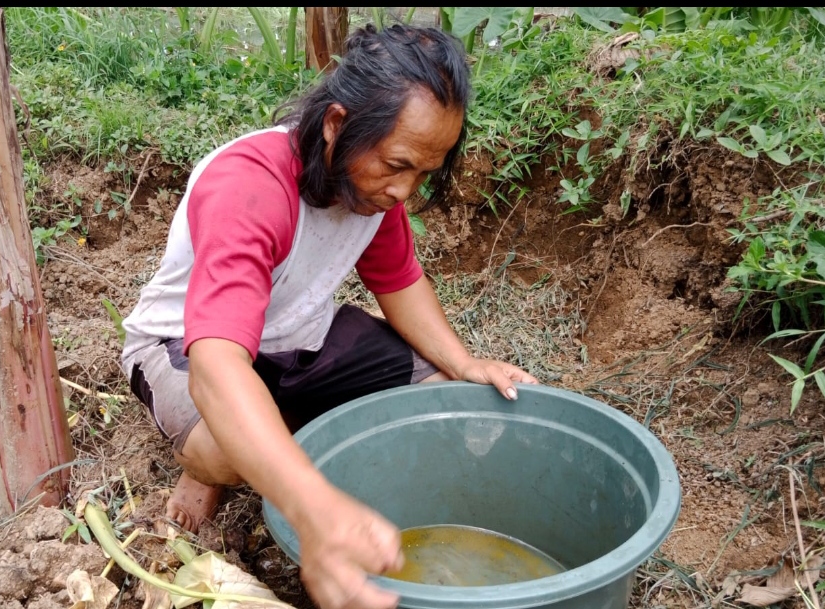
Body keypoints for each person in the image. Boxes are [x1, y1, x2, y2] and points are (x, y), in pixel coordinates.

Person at [120, 24, 538, 609]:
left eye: (424, 173)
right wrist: (314, 511)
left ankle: (279, 431)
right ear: (337, 125)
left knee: (440, 391)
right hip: (184, 344)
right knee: (225, 447)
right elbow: (216, 364)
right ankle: (223, 463)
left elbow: (399, 281)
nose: (405, 191)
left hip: (299, 336)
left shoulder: (372, 188)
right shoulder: (251, 186)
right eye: (397, 165)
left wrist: (464, 362)